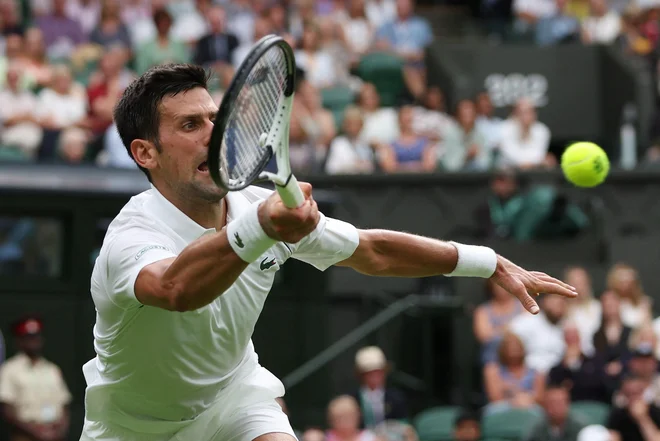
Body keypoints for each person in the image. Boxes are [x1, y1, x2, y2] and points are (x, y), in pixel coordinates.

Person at [80, 63, 577, 441]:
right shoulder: (131, 236)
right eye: (191, 125)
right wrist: (260, 226)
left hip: (234, 396)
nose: (215, 133)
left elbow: (372, 251)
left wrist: (486, 262)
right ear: (146, 152)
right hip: (132, 426)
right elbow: (176, 288)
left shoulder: (259, 208)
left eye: (216, 117)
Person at [0, 316, 71, 441]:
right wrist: (36, 432)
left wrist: (59, 431)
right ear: (19, 340)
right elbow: (7, 411)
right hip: (25, 435)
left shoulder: (52, 369)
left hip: (54, 435)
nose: (34, 340)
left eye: (37, 336)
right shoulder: (9, 369)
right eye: (29, 337)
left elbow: (64, 404)